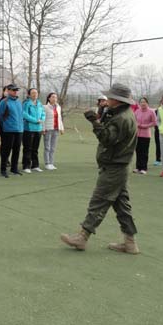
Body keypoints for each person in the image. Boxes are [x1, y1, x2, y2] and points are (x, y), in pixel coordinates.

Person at [61, 83, 140, 254]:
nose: (106, 99)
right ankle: (130, 242)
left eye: (110, 97)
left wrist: (94, 120)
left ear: (117, 100)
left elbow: (106, 138)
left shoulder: (121, 118)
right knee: (122, 206)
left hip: (115, 167)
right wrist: (102, 116)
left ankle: (82, 237)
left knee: (99, 201)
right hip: (120, 165)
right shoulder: (123, 114)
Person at [0, 83, 24, 178]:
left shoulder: (19, 102)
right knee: (6, 151)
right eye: (13, 90)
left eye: (16, 90)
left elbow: (21, 115)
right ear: (8, 91)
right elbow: (0, 115)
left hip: (19, 130)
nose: (15, 92)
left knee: (17, 150)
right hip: (8, 130)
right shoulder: (4, 102)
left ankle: (14, 169)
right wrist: (6, 125)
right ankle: (3, 170)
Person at [22, 88, 45, 173]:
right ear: (29, 95)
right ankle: (26, 166)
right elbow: (24, 114)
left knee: (35, 148)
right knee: (28, 148)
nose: (35, 94)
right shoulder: (26, 103)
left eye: (36, 93)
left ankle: (35, 165)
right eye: (33, 93)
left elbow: (43, 113)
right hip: (28, 129)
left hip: (38, 129)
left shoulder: (40, 103)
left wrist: (42, 119)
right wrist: (35, 120)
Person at [133, 97, 157, 174]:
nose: (143, 103)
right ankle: (138, 167)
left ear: (147, 103)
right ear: (139, 103)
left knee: (144, 152)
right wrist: (136, 124)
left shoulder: (151, 112)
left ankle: (144, 168)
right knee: (138, 151)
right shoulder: (137, 111)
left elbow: (154, 122)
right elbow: (134, 120)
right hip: (137, 134)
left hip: (146, 135)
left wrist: (144, 126)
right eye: (141, 102)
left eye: (144, 102)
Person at [43, 92, 64, 171]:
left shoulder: (58, 107)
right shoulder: (45, 107)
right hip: (48, 129)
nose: (54, 99)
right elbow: (43, 119)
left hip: (56, 129)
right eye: (52, 97)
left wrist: (61, 128)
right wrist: (43, 129)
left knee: (53, 147)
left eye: (55, 97)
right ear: (49, 98)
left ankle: (51, 163)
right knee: (47, 147)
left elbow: (59, 118)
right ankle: (47, 163)